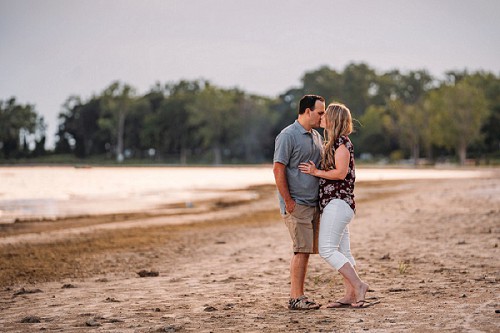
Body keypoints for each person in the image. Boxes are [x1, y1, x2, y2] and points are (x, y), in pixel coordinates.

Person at [298, 102, 370, 308]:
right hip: (337, 204)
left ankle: (358, 285)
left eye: (325, 115)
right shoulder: (334, 143)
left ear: (333, 119)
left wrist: (315, 172)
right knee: (343, 251)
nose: (321, 117)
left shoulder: (342, 144)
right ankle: (350, 295)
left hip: (338, 203)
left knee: (327, 249)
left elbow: (340, 173)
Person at [273, 94, 325, 310]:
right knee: (301, 250)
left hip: (313, 203)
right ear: (307, 111)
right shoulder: (288, 135)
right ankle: (296, 298)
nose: (323, 117)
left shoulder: (316, 136)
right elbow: (278, 169)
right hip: (297, 204)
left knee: (307, 250)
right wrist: (288, 201)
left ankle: (299, 295)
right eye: (320, 112)